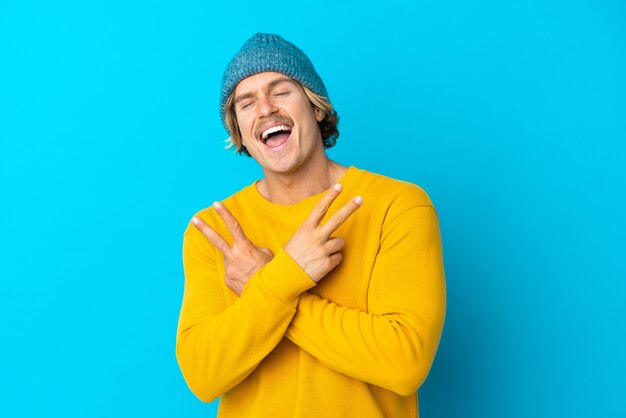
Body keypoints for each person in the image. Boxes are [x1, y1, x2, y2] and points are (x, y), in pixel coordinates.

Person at [176, 33, 446, 418]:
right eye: (246, 102)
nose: (265, 109)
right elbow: (203, 376)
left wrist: (262, 282)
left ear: (317, 107)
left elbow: (404, 364)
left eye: (281, 91)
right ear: (239, 132)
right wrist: (286, 277)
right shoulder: (214, 230)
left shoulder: (398, 207)